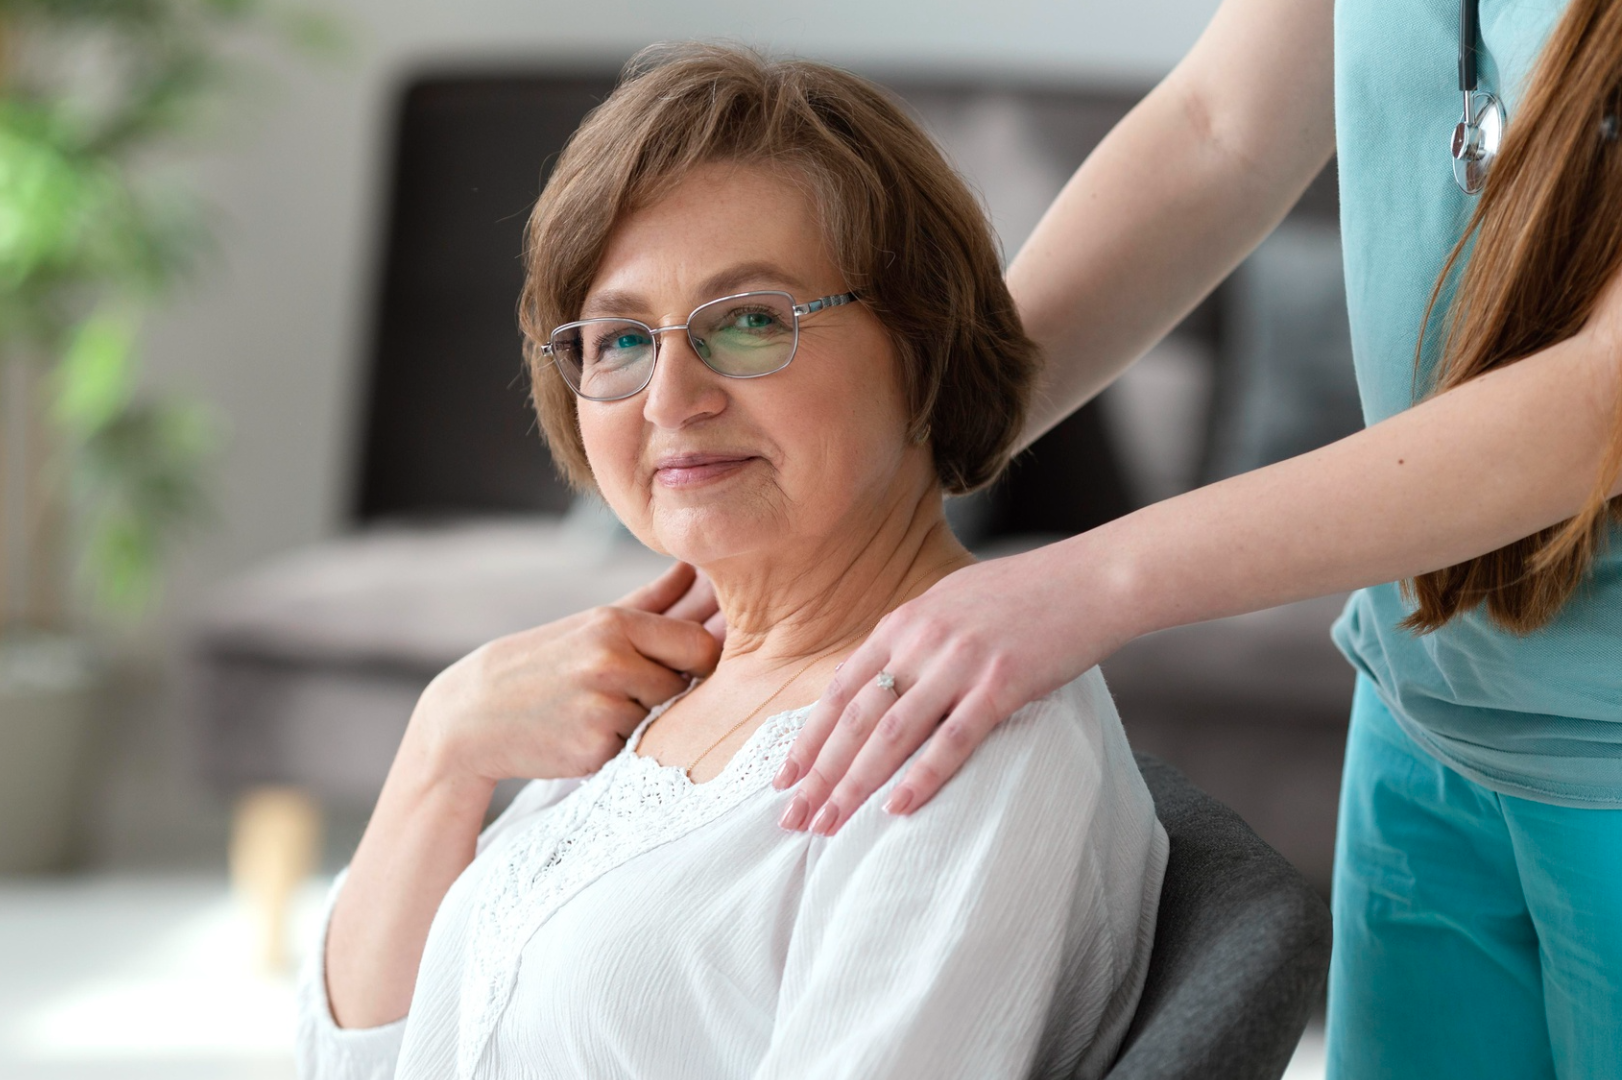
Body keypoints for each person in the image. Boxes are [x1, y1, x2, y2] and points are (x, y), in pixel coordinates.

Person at [771, 0, 1622, 1075]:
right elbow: (1219, 131)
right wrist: (900, 466)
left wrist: (1090, 583)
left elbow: (1603, 397)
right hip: (1426, 713)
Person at [296, 45, 1168, 1080]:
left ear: (925, 346)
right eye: (621, 338)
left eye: (751, 322)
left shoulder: (962, 740)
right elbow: (357, 1063)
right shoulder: (668, 681)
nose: (670, 398)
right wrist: (442, 751)